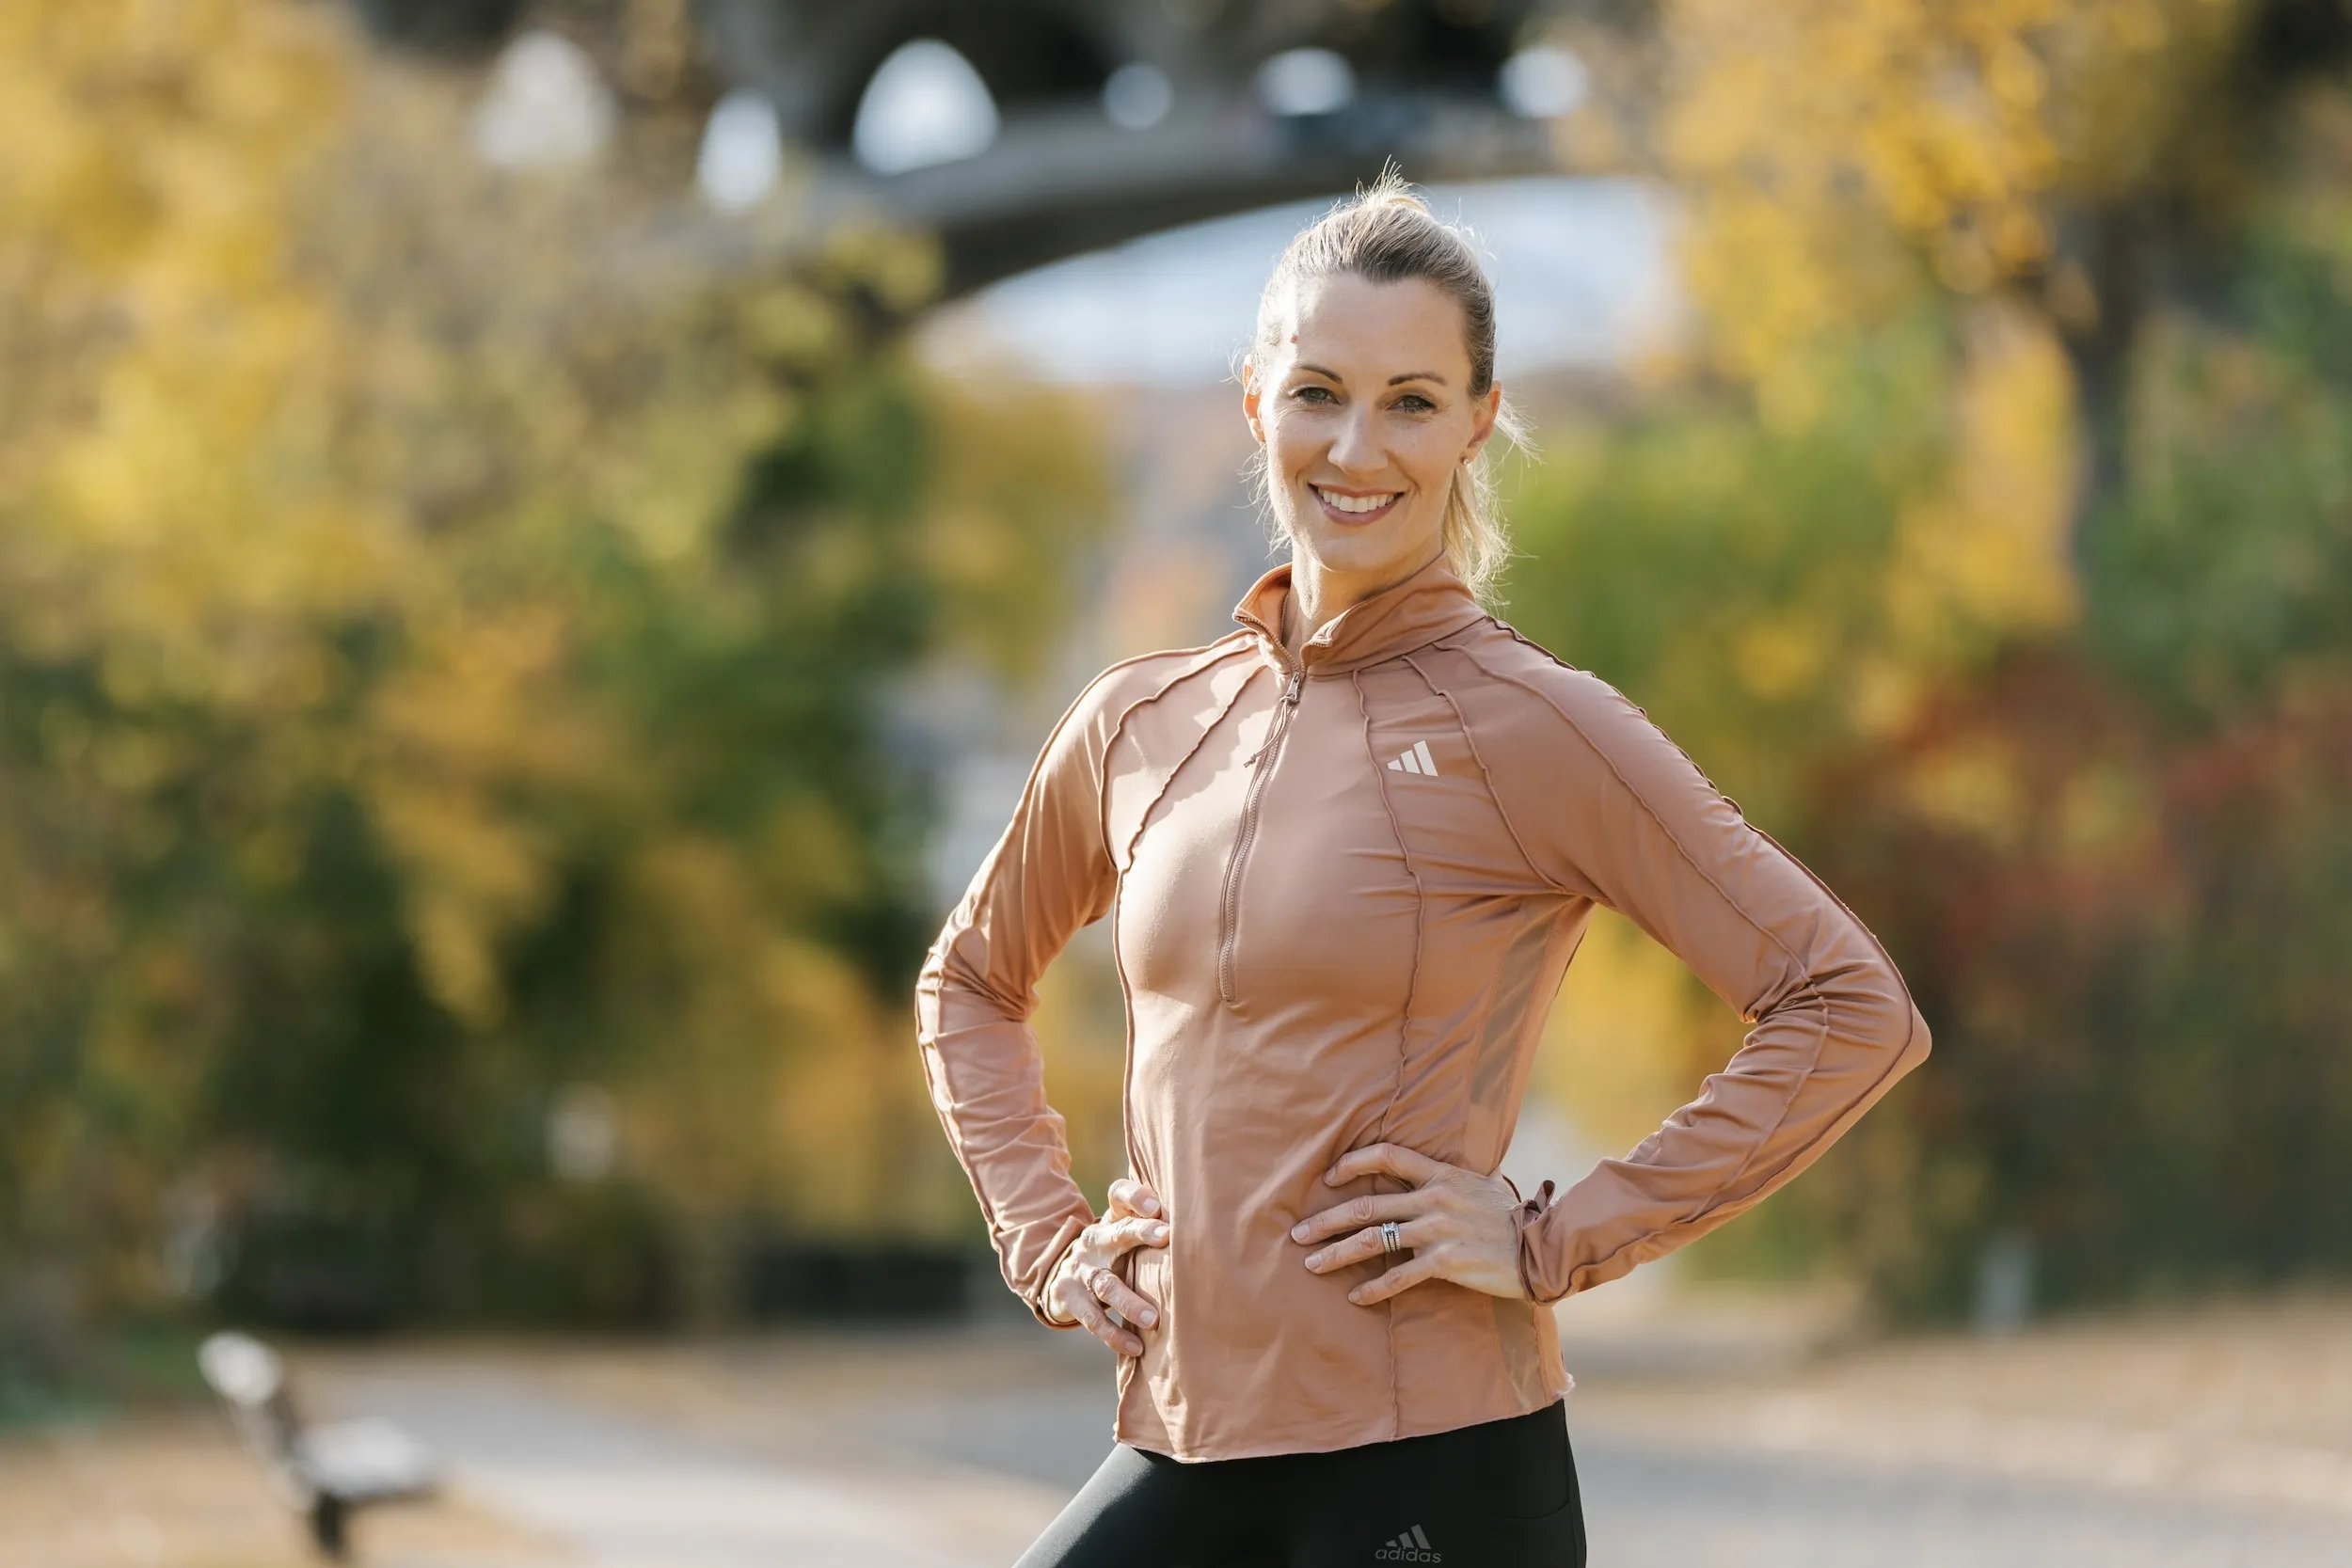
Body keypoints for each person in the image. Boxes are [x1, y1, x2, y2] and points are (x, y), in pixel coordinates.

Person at [914, 169, 1931, 1568]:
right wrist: (1048, 1237)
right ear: (1257, 403)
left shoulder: (1535, 724)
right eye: (1320, 391)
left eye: (1411, 400)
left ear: (1477, 423)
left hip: (1430, 1473)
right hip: (1181, 1435)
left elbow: (1846, 1002)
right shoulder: (1141, 722)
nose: (1357, 445)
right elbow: (972, 980)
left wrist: (1556, 1236)